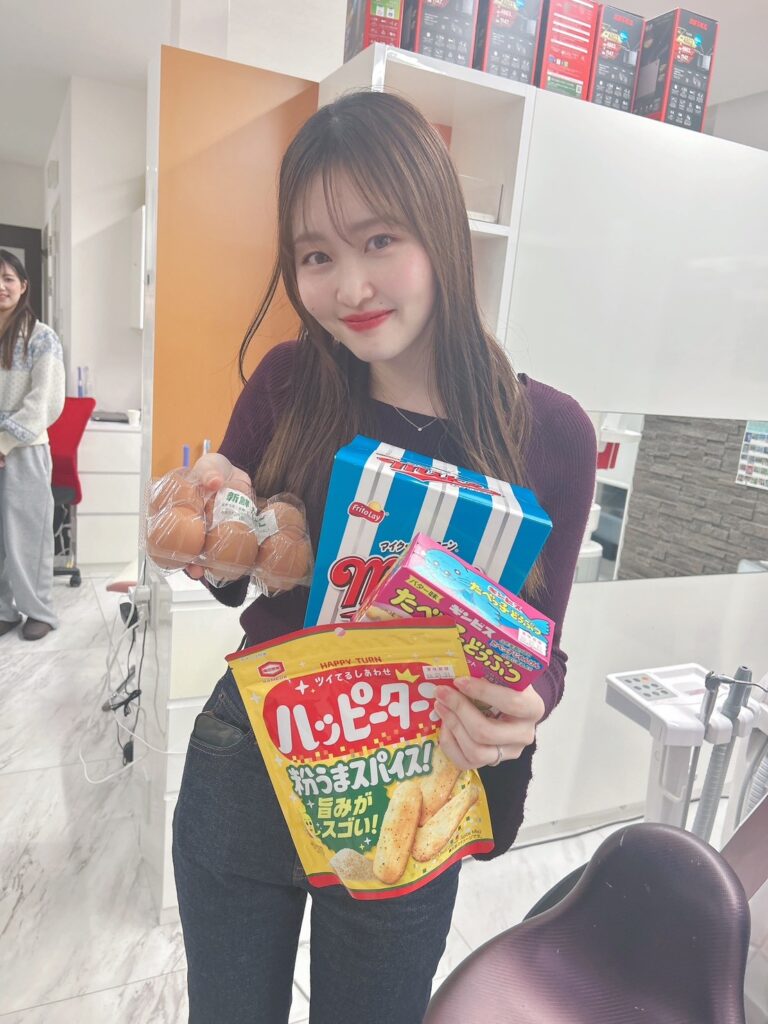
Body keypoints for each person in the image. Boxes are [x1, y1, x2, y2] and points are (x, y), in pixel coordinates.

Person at [170, 92, 596, 1024]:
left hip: (412, 795)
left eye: (379, 240)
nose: (350, 288)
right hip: (250, 763)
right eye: (317, 256)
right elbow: (237, 583)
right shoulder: (287, 381)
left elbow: (542, 649)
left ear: (440, 233)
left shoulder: (549, 433)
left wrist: (524, 705)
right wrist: (213, 526)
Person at [0, 250, 65, 641]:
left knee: (27, 535)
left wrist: (4, 442)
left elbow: (45, 402)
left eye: (8, 278)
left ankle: (39, 611)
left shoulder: (42, 338)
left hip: (25, 450)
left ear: (23, 286)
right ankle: (3, 609)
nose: (1, 286)